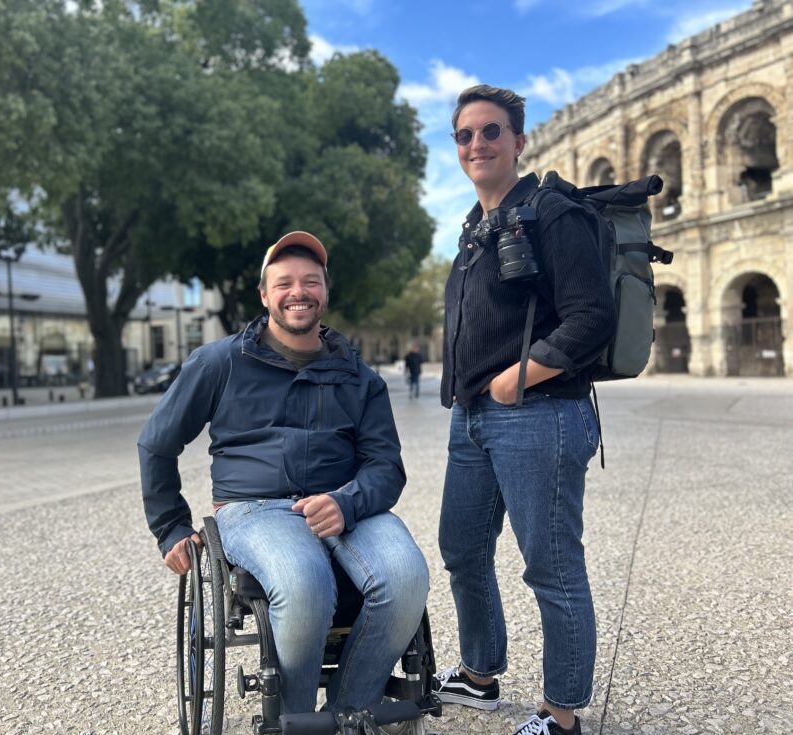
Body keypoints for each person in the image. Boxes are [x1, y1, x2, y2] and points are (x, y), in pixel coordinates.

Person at [138, 231, 429, 716]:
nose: (299, 291)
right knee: (305, 583)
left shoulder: (360, 377)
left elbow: (385, 466)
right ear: (265, 295)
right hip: (254, 508)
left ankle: (348, 712)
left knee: (406, 575)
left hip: (345, 503)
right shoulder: (219, 362)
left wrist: (347, 502)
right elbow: (156, 442)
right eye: (285, 282)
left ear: (326, 292)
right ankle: (295, 718)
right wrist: (170, 526)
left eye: (311, 282)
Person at [433, 85, 617, 735]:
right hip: (474, 417)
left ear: (518, 140)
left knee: (551, 564)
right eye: (464, 135)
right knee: (461, 546)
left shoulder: (552, 212)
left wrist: (519, 376)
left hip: (539, 413)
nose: (476, 144)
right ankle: (481, 673)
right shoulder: (476, 227)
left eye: (490, 132)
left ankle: (560, 713)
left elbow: (593, 317)